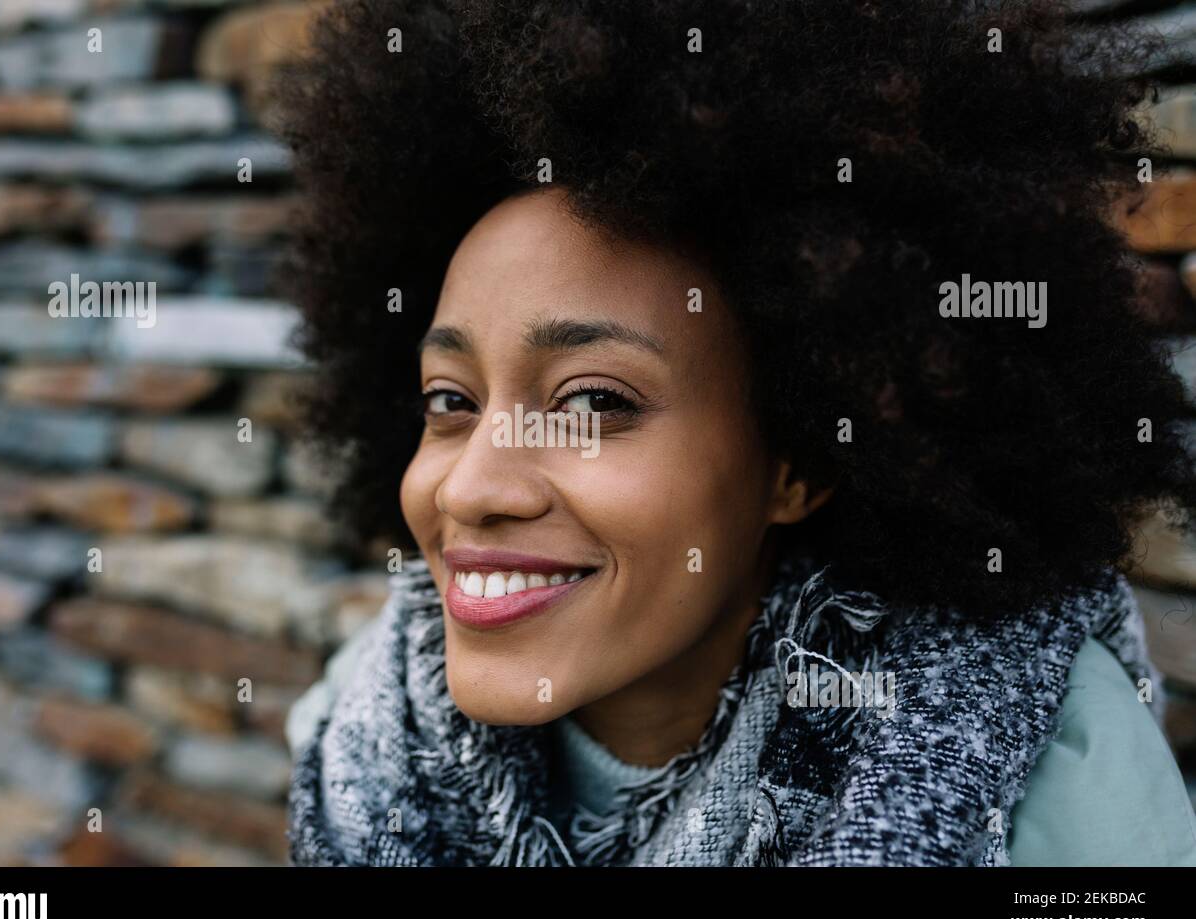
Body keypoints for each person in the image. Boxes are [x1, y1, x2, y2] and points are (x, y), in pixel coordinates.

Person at [279, 0, 1196, 865]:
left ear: (797, 461)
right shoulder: (362, 729)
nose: (472, 487)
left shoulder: (1061, 800)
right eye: (451, 402)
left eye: (594, 404)